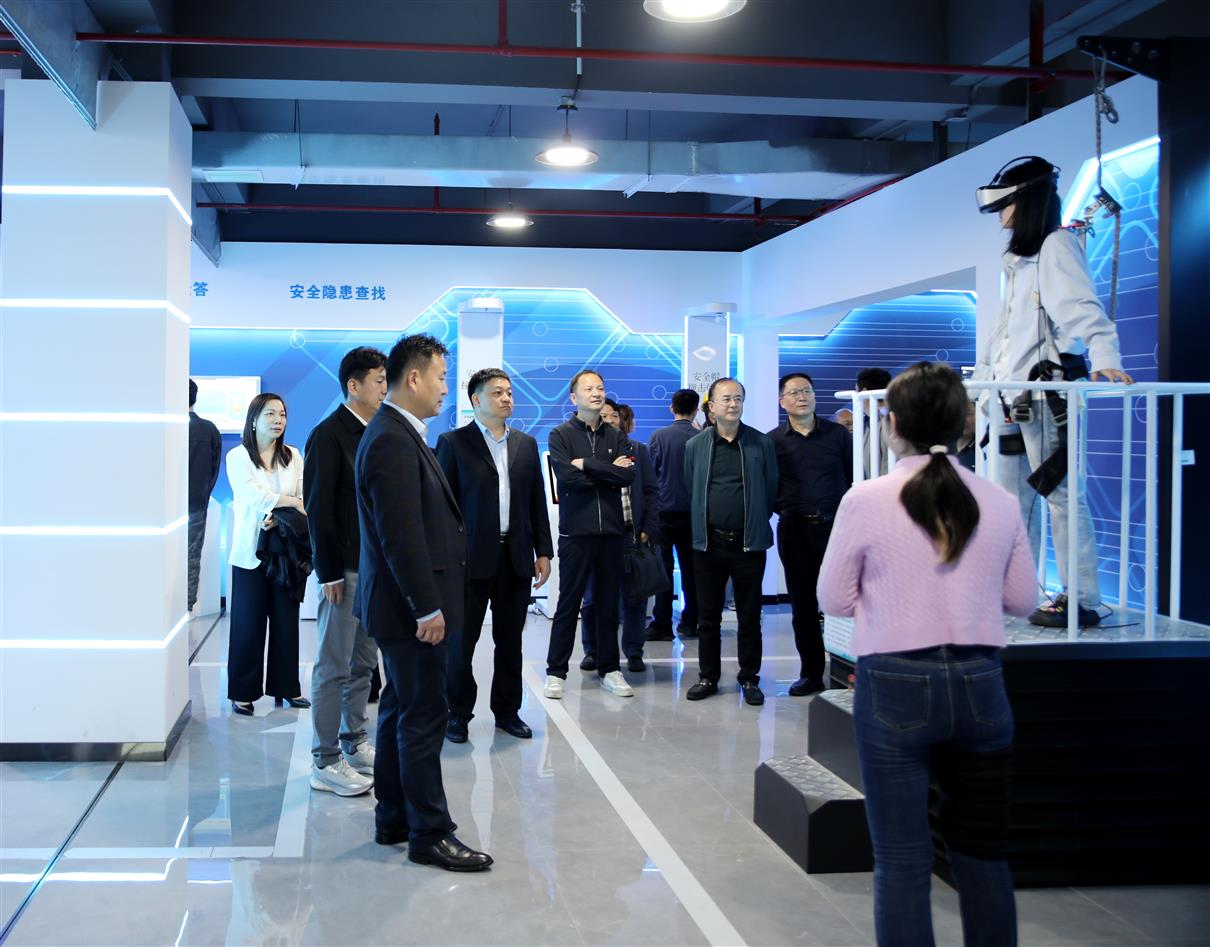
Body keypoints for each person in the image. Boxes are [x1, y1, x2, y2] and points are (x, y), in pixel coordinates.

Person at [817, 361, 1037, 947]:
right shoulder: (999, 500)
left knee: (902, 860)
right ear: (965, 422)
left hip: (894, 683)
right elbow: (1023, 600)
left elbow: (833, 599)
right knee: (984, 856)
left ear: (893, 424)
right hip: (982, 682)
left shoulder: (866, 499)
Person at [974, 155, 1133, 628]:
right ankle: (1016, 589)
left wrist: (1105, 357)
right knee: (1012, 502)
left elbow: (1084, 309)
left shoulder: (1056, 246)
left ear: (1027, 202)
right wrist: (983, 386)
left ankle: (1082, 598)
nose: (1000, 217)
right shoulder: (1019, 260)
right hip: (1010, 397)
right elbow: (1004, 332)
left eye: (1005, 206)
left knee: (1060, 496)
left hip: (1044, 397)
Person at [353, 333, 491, 872]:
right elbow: (400, 536)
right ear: (414, 378)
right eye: (440, 378)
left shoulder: (399, 432)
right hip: (410, 610)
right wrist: (426, 608)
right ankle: (430, 832)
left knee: (399, 709)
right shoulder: (391, 438)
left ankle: (393, 815)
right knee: (424, 717)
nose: (444, 390)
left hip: (401, 606)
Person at [436, 368, 553, 744]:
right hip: (468, 560)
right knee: (461, 643)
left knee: (510, 642)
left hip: (515, 558)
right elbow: (442, 507)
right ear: (476, 400)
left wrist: (544, 551)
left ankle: (507, 712)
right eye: (497, 392)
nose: (506, 398)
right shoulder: (453, 443)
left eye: (509, 392)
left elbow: (536, 501)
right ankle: (457, 714)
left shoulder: (525, 444)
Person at [303, 346, 387, 798]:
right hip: (344, 573)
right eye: (378, 381)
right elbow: (318, 509)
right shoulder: (329, 434)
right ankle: (325, 759)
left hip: (374, 570)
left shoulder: (378, 431)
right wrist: (329, 572)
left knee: (363, 664)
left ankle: (354, 741)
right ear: (354, 386)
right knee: (333, 666)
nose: (385, 388)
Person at [683, 378, 778, 706]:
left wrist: (754, 520)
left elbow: (770, 488)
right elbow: (690, 486)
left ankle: (749, 677)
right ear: (711, 406)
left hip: (748, 543)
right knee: (707, 616)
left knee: (749, 616)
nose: (733, 404)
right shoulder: (695, 446)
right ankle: (708, 676)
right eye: (726, 399)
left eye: (738, 398)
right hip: (709, 544)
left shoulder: (760, 444)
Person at [543, 370, 636, 700]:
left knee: (608, 605)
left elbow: (628, 477)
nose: (596, 393)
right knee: (568, 605)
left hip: (612, 533)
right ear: (574, 397)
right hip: (576, 535)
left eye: (600, 387)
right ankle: (556, 672)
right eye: (588, 388)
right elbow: (567, 479)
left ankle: (610, 669)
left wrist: (587, 464)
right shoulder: (560, 435)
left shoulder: (616, 435)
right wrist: (608, 472)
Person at [225, 393, 310, 716]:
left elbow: (303, 495)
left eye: (282, 414)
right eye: (270, 414)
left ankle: (287, 687)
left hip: (286, 549)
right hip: (251, 551)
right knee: (247, 623)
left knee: (286, 621)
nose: (278, 420)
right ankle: (242, 692)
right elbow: (252, 496)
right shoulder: (238, 456)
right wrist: (289, 504)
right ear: (254, 420)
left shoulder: (293, 455)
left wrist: (284, 509)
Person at [768, 372, 852, 697]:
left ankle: (846, 673)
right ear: (782, 401)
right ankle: (811, 673)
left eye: (807, 391)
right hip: (795, 530)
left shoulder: (838, 435)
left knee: (842, 602)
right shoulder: (772, 441)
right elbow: (768, 485)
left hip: (836, 530)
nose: (802, 397)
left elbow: (852, 476)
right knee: (802, 606)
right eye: (794, 392)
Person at [580, 402, 660, 673]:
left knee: (635, 598)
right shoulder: (589, 453)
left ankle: (634, 652)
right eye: (603, 416)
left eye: (613, 415)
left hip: (630, 537)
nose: (609, 419)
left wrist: (648, 528)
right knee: (592, 599)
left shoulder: (638, 450)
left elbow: (651, 491)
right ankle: (592, 651)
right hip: (597, 537)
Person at [646, 388, 701, 641]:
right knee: (692, 571)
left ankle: (662, 624)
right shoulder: (702, 438)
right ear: (696, 410)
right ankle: (691, 622)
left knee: (663, 570)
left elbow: (650, 474)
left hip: (663, 513)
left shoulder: (659, 436)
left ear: (672, 407)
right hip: (693, 515)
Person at [188, 379, 222, 613]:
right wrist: (203, 495)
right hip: (197, 503)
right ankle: (187, 605)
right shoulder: (209, 429)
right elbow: (214, 469)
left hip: (164, 507)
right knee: (191, 554)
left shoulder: (164, 427)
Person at [856, 367, 892, 479]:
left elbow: (888, 470)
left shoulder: (888, 423)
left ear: (864, 392)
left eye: (856, 391)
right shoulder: (867, 423)